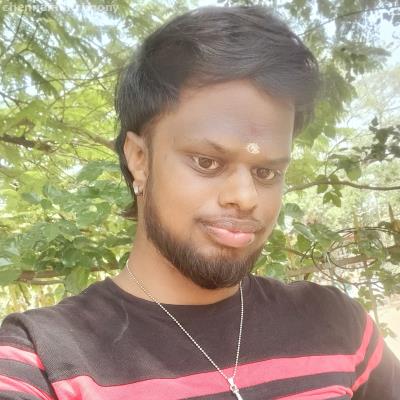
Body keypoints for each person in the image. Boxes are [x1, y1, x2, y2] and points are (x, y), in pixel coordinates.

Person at [0, 5, 399, 400]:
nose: (245, 198)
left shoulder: (336, 325)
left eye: (266, 172)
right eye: (207, 162)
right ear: (139, 159)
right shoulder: (42, 361)